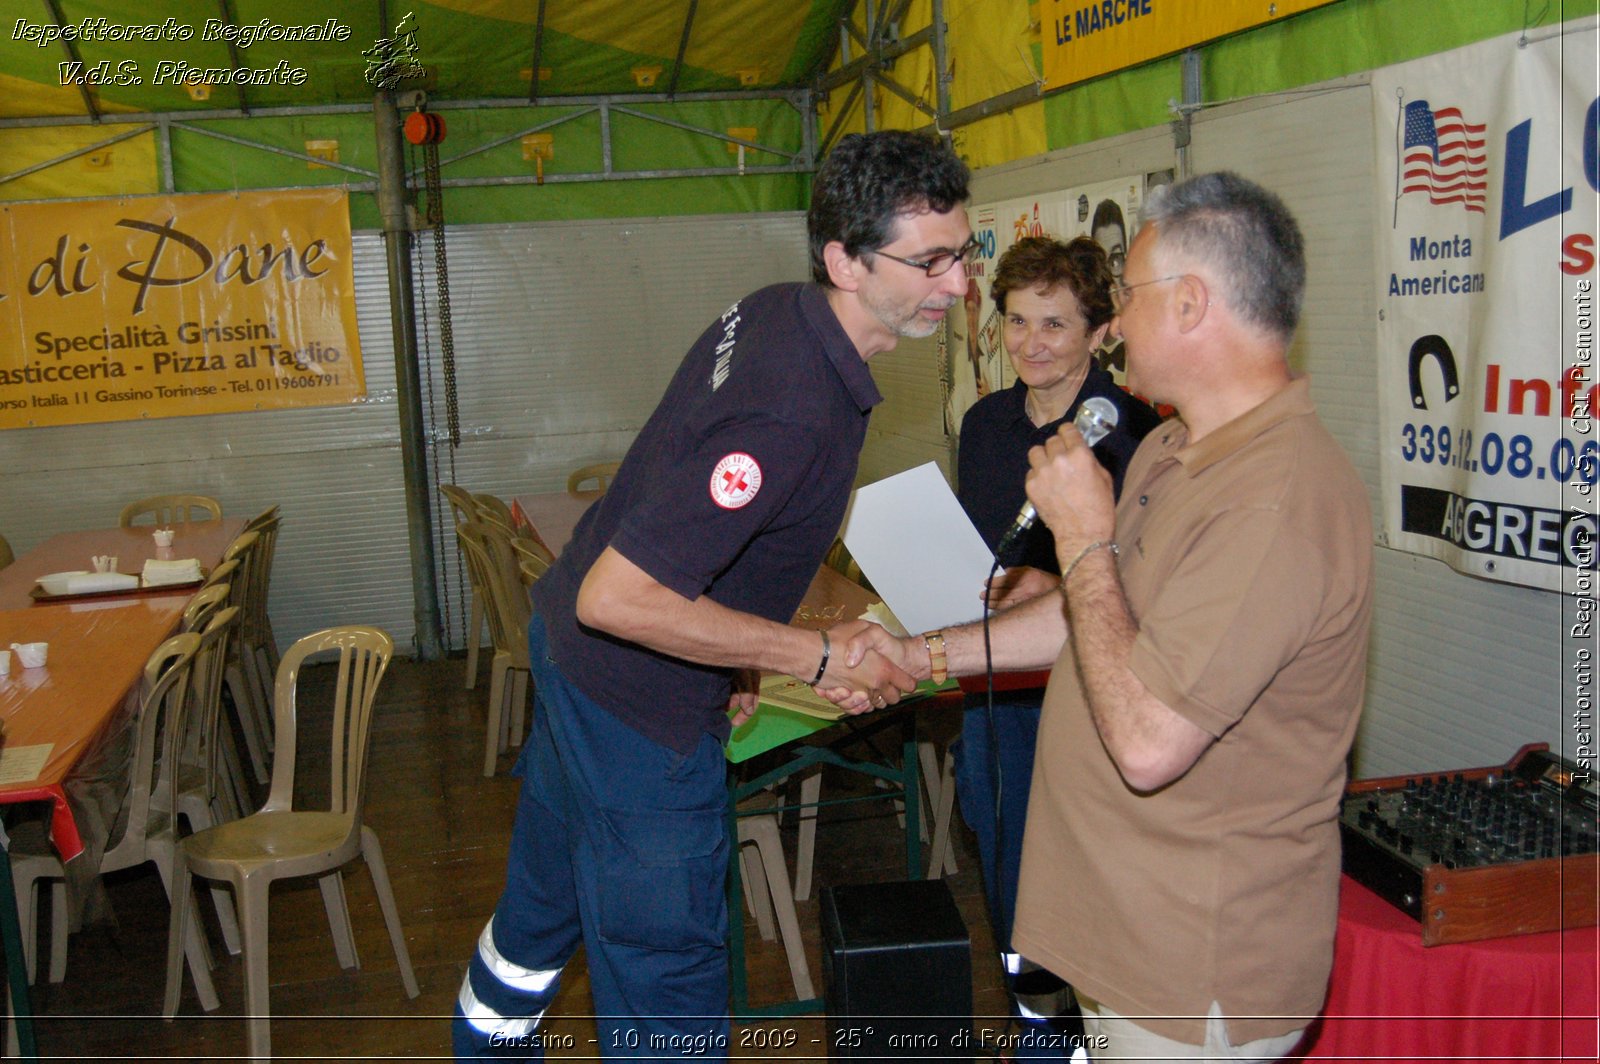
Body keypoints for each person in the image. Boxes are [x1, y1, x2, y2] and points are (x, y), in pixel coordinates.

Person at [452, 129, 971, 1060]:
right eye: (929, 261)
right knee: (670, 996)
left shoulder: (779, 313)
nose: (959, 285)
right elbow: (618, 597)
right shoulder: (792, 401)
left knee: (535, 929)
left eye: (963, 255)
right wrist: (808, 655)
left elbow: (688, 523)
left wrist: (734, 651)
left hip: (583, 682)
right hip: (636, 718)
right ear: (845, 262)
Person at [834, 171, 1374, 1061]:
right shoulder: (1174, 446)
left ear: (1194, 303)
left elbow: (1151, 741)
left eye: (1127, 297)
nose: (1114, 322)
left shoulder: (1276, 501)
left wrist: (1082, 537)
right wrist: (913, 655)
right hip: (1119, 940)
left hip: (1189, 973)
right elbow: (1086, 621)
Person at [951, 235, 1159, 1055]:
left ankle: (1088, 1035)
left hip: (1091, 697)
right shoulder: (983, 425)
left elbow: (1151, 590)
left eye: (1055, 325)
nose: (1030, 342)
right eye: (1015, 322)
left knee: (1086, 887)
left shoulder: (1138, 436)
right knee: (1005, 880)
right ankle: (1040, 1028)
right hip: (995, 695)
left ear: (1101, 332)